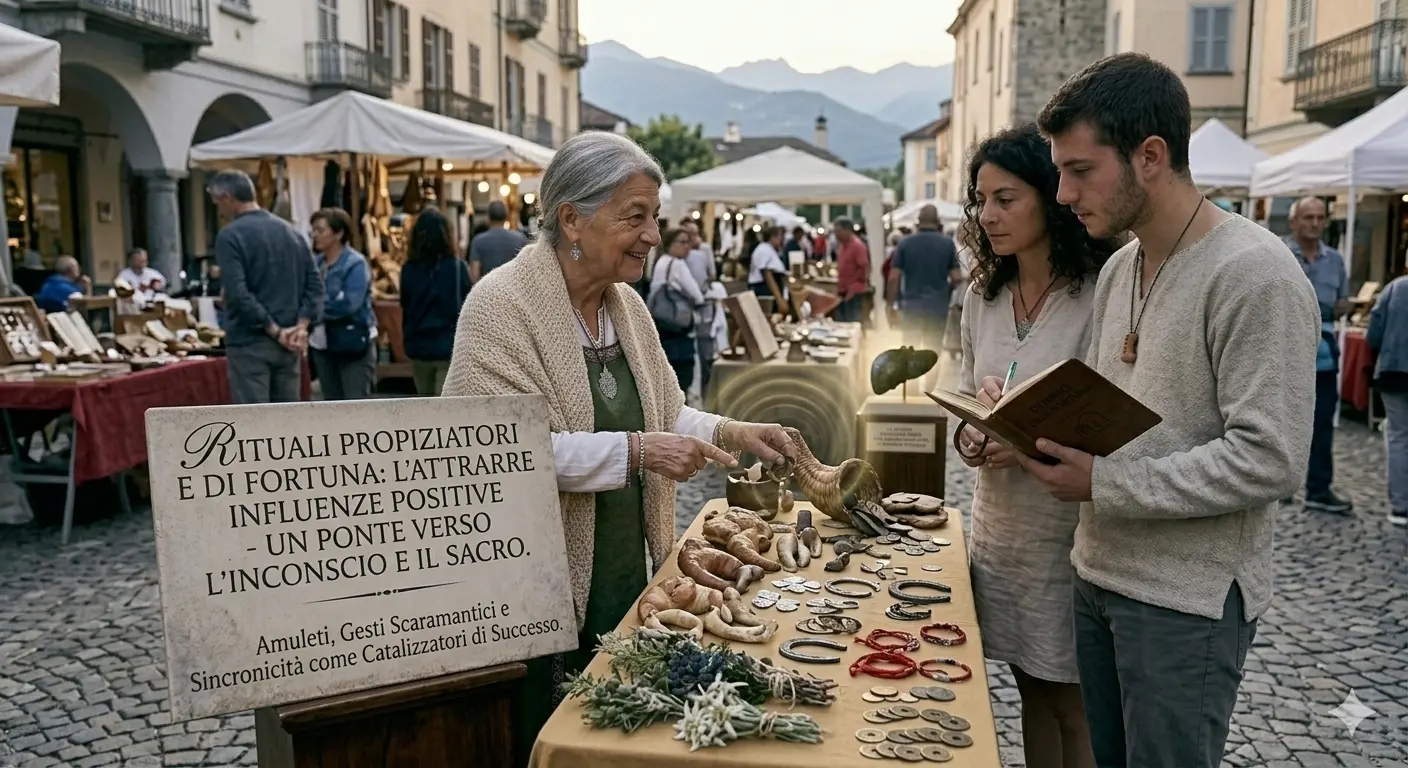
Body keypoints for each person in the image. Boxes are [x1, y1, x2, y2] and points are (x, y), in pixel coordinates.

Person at [979, 53, 1318, 768]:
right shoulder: (1118, 268)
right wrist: (1022, 425)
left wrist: (1106, 485)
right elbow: (1103, 415)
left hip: (1183, 602)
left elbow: (1271, 457)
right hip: (1097, 573)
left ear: (1151, 156)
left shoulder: (1255, 274)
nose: (1064, 192)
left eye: (1080, 170)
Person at [440, 131, 798, 766]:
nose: (653, 236)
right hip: (541, 583)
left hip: (626, 567)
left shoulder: (625, 306)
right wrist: (637, 453)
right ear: (571, 218)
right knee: (559, 736)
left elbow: (663, 412)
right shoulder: (500, 307)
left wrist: (732, 432)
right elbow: (493, 453)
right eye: (635, 217)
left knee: (625, 733)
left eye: (654, 218)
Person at [956, 123, 1115, 768]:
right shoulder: (982, 297)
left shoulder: (1100, 292)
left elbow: (1112, 416)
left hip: (1067, 526)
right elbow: (971, 394)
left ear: (1051, 198)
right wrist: (973, 432)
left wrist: (1027, 434)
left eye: (1005, 198)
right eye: (981, 200)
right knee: (1027, 685)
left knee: (1072, 700)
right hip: (1002, 525)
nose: (988, 215)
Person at [210, 169, 323, 405]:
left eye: (217, 201)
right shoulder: (291, 233)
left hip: (251, 343)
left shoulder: (230, 236)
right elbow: (315, 285)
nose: (218, 210)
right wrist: (300, 327)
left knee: (254, 428)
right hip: (289, 343)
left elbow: (238, 294)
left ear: (228, 197)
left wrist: (275, 330)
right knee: (286, 426)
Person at [1283, 196, 1353, 514]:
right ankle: (1278, 486)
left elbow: (1341, 301)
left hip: (1323, 352)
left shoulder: (1335, 260)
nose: (1314, 223)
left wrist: (1341, 308)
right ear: (1293, 221)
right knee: (1280, 419)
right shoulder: (1278, 252)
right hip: (1284, 349)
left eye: (1319, 217)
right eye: (1307, 217)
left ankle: (1319, 488)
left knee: (1322, 421)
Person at [307, 208, 376, 401]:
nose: (315, 235)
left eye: (321, 230)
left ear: (338, 233)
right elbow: (306, 296)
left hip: (352, 341)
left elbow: (349, 304)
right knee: (331, 403)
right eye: (313, 230)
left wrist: (315, 311)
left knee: (355, 403)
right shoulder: (316, 264)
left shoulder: (354, 264)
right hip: (322, 343)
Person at [399, 208, 470, 396]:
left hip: (418, 345)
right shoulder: (457, 267)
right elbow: (467, 304)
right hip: (449, 345)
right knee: (445, 408)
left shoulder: (408, 269)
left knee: (424, 405)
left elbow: (405, 305)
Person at [888, 205, 963, 353]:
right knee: (932, 353)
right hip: (937, 307)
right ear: (937, 221)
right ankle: (931, 377)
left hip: (911, 307)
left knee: (910, 352)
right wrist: (946, 290)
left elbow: (893, 278)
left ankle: (913, 377)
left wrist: (890, 305)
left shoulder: (905, 243)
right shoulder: (947, 243)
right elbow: (956, 277)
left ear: (918, 221)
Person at [1368, 273, 1408, 527]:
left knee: (1398, 436)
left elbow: (1373, 333)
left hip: (1393, 370)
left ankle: (1401, 506)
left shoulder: (1395, 288)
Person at [650, 227, 706, 392]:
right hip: (677, 326)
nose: (687, 246)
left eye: (688, 242)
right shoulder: (677, 264)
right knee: (683, 377)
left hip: (662, 323)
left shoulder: (661, 262)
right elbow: (696, 295)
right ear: (670, 244)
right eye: (682, 242)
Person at [681, 220, 719, 395]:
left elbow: (711, 275)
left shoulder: (702, 252)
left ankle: (706, 391)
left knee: (704, 354)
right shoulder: (678, 259)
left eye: (695, 234)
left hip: (699, 310)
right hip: (687, 313)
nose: (693, 239)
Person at [469, 200, 528, 283]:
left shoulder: (478, 241)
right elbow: (525, 271)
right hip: (513, 290)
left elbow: (474, 276)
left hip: (486, 291)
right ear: (506, 216)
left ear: (488, 217)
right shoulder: (520, 239)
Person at [833, 218, 871, 323]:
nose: (836, 235)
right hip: (844, 291)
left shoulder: (857, 246)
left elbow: (864, 268)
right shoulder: (842, 246)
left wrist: (855, 287)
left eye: (838, 231)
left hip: (854, 292)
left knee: (853, 321)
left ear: (848, 230)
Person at [747, 225, 788, 311]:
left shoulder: (771, 250)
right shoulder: (764, 250)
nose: (781, 239)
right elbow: (767, 274)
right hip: (763, 289)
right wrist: (779, 298)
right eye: (779, 236)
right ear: (773, 237)